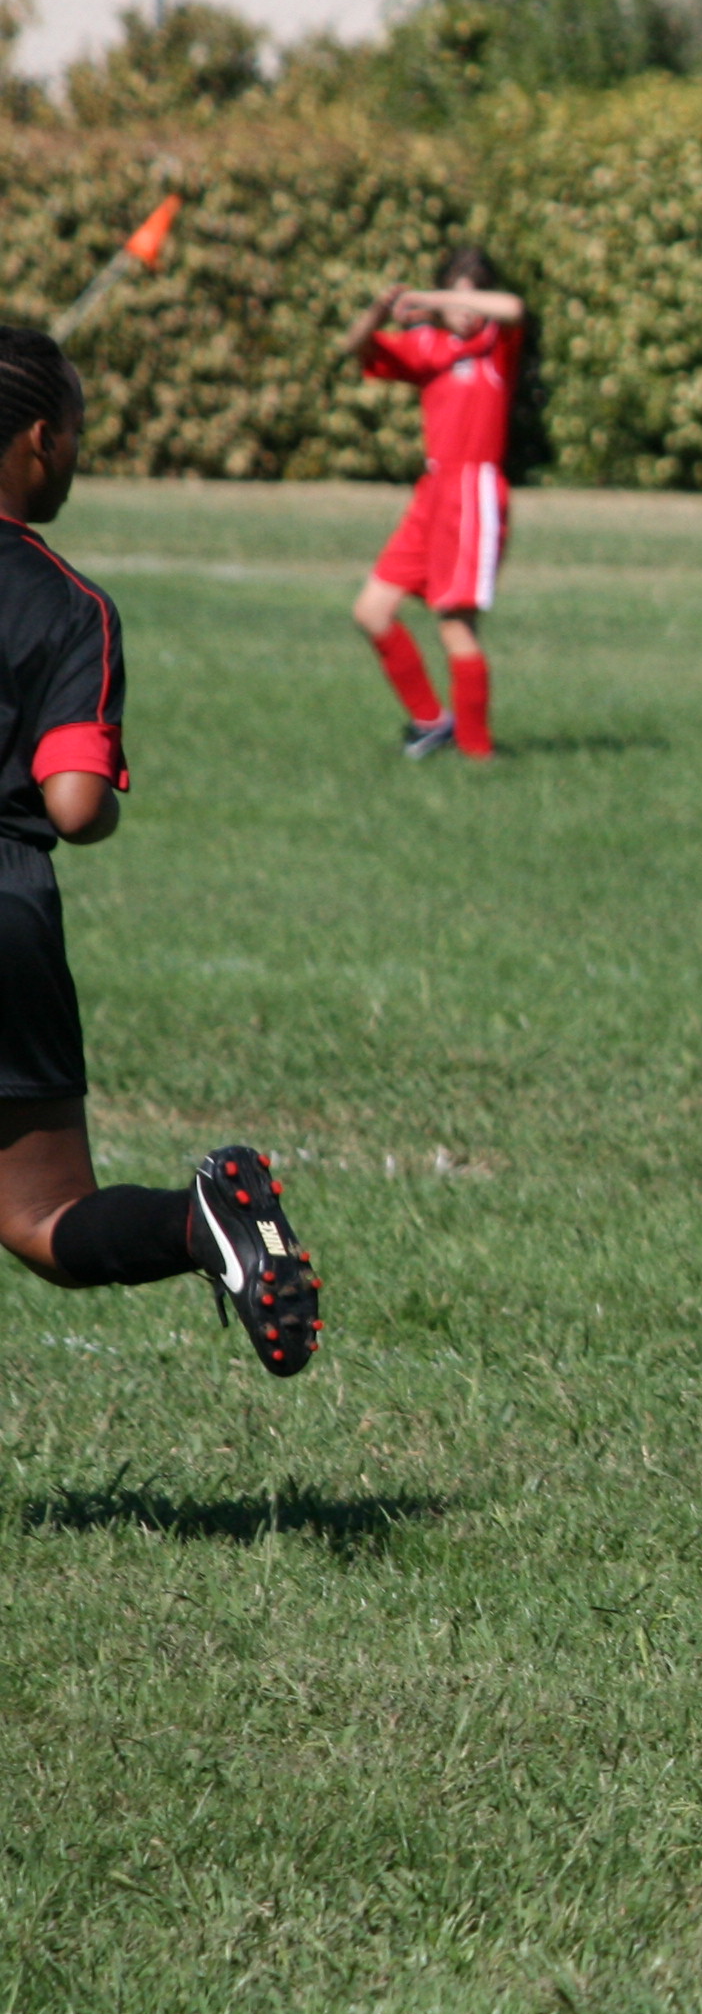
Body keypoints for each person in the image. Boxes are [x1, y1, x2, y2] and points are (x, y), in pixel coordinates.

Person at [0, 329, 319, 1373]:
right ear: (39, 441)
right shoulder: (69, 605)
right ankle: (196, 1222)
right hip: (9, 909)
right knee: (43, 1219)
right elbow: (75, 804)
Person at [341, 248, 527, 762]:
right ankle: (432, 721)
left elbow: (513, 307)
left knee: (455, 626)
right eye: (453, 300)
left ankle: (478, 753)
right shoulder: (430, 346)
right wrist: (380, 311)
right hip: (433, 493)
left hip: (472, 493)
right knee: (371, 611)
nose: (463, 311)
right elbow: (356, 346)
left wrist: (436, 298)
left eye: (471, 299)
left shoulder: (496, 344)